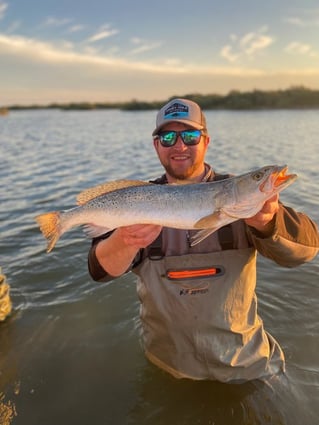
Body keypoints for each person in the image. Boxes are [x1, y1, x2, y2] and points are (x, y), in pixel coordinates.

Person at [88, 98, 319, 382]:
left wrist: (269, 222)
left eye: (190, 135)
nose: (180, 145)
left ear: (206, 141)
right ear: (156, 145)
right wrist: (125, 240)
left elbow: (305, 251)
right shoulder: (141, 200)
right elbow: (99, 272)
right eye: (168, 136)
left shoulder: (242, 195)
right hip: (167, 364)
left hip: (244, 364)